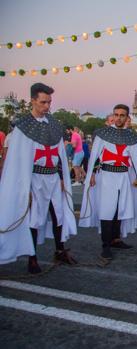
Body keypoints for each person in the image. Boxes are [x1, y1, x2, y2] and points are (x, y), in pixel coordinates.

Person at [0, 83, 77, 273]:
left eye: (49, 102)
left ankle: (60, 250)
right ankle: (32, 258)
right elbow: (17, 161)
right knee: (34, 218)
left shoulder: (54, 125)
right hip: (33, 178)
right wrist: (23, 188)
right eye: (43, 102)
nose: (47, 106)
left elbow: (59, 154)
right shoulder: (22, 128)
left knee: (58, 214)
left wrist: (60, 176)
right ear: (33, 100)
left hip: (52, 178)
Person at [79, 104, 137, 259]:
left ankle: (116, 239)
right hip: (107, 177)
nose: (119, 118)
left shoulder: (131, 137)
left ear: (127, 117)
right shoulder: (103, 134)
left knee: (120, 209)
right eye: (116, 114)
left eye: (122, 115)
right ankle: (105, 245)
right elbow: (94, 157)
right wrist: (91, 173)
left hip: (124, 177)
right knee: (107, 210)